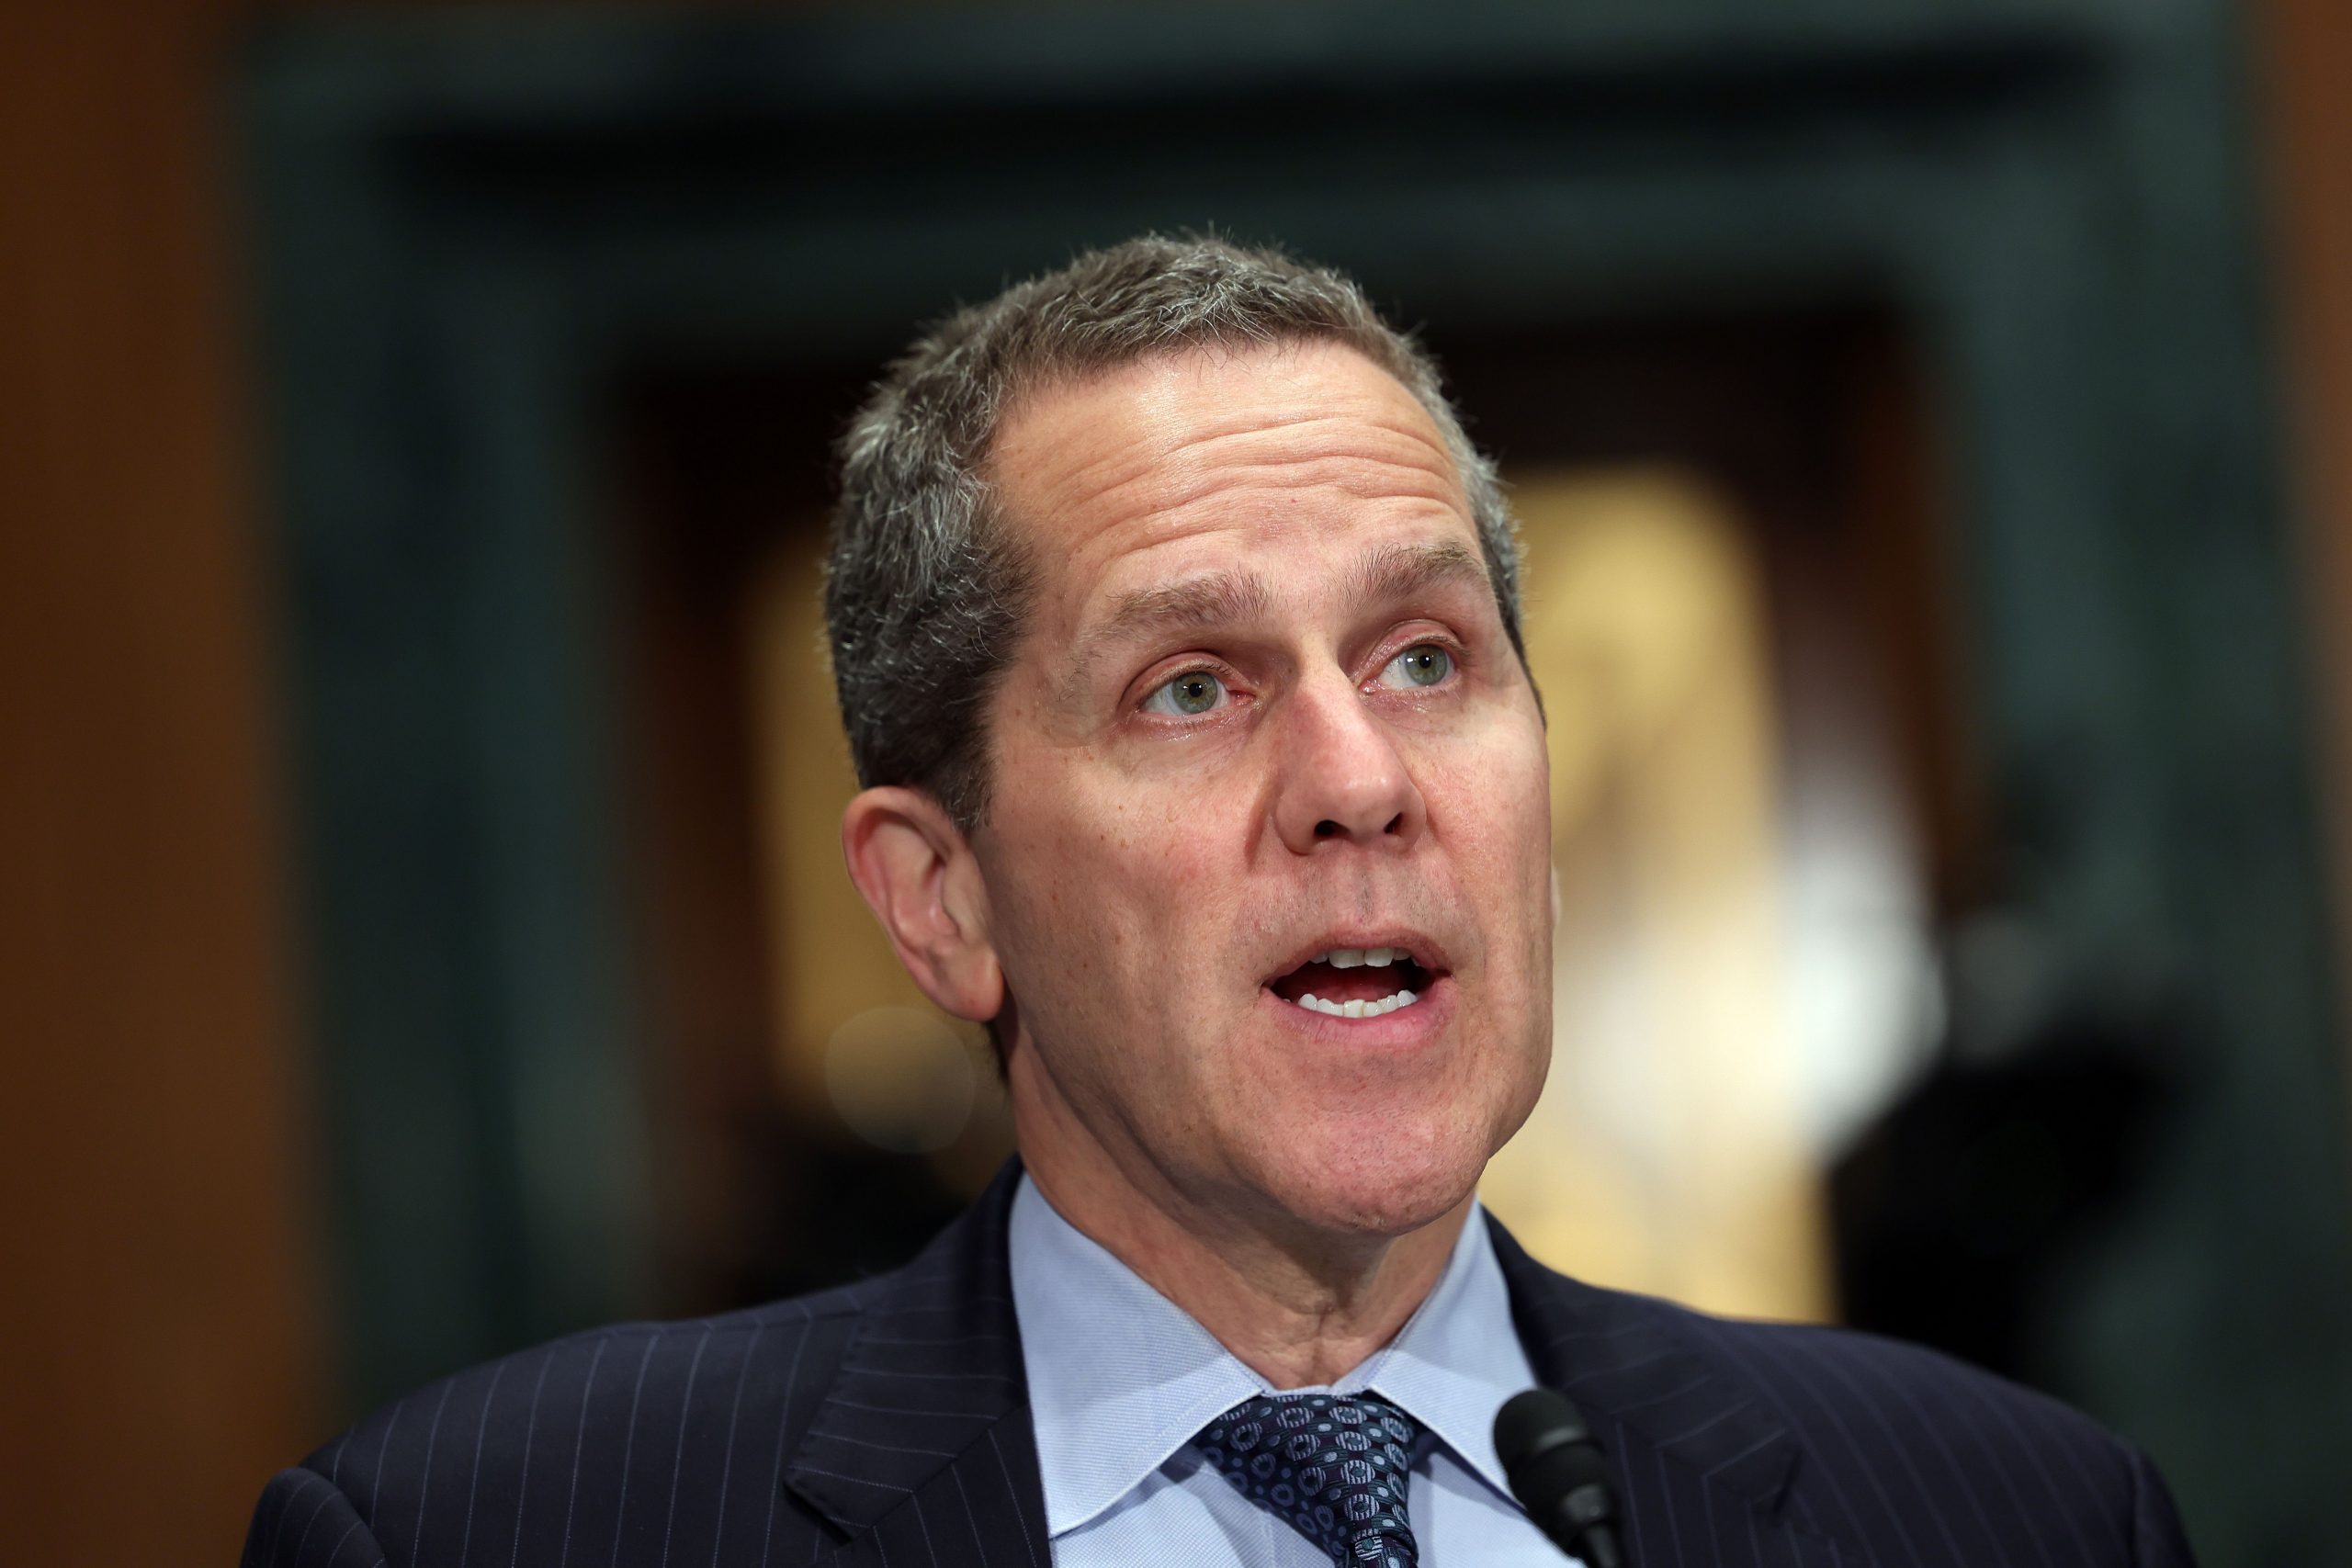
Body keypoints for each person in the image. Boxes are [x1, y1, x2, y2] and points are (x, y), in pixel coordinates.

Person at [244, 236, 2195, 1568]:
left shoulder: (2007, 1514)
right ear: (939, 904)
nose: (1358, 778)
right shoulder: (492, 1531)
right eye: (1192, 685)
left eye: (1427, 656)